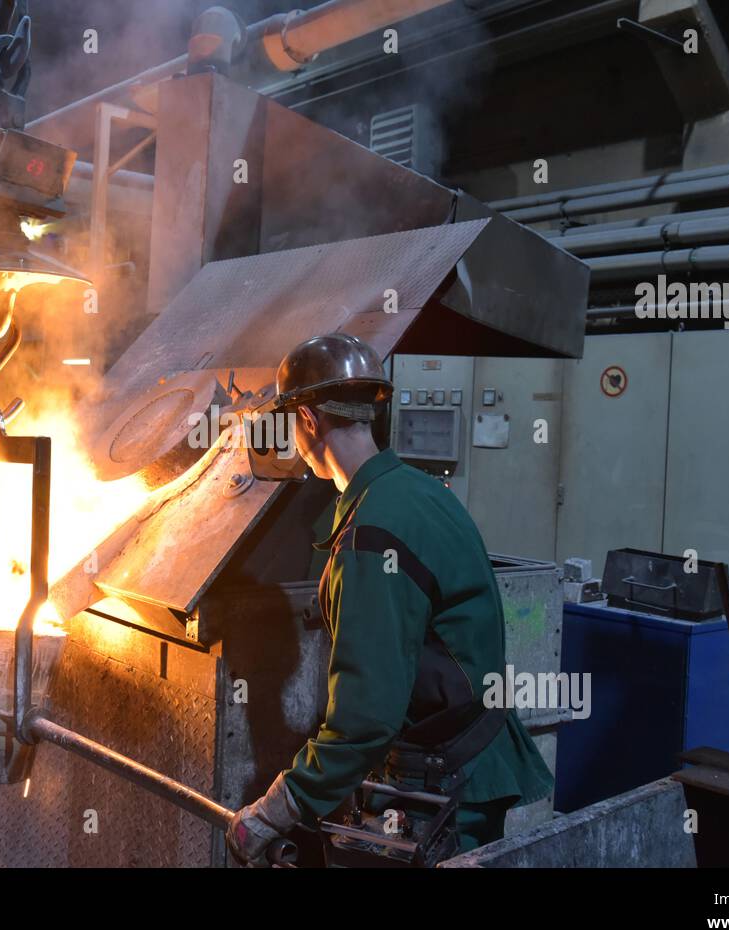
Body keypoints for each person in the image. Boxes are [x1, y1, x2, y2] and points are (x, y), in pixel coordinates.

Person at [227, 333, 553, 866]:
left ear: (308, 419)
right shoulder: (419, 492)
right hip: (467, 758)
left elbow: (364, 720)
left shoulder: (371, 533)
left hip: (444, 787)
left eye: (290, 423)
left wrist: (273, 811)